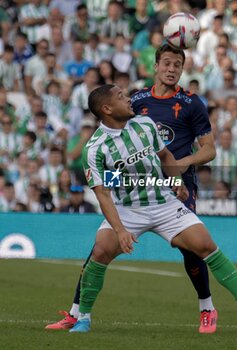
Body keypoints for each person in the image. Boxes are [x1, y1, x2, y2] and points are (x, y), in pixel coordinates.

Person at [67, 84, 237, 333]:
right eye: (121, 97)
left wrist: (176, 182)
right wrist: (120, 230)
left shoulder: (145, 124)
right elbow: (103, 193)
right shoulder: (95, 148)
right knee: (99, 252)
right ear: (107, 109)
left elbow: (165, 157)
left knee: (206, 245)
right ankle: (84, 318)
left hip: (163, 202)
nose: (129, 99)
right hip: (126, 209)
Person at [46, 44, 219, 334]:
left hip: (177, 184)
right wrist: (117, 181)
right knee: (99, 249)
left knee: (192, 249)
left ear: (182, 69)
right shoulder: (136, 100)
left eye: (177, 64)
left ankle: (206, 308)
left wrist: (178, 165)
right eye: (166, 63)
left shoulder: (192, 103)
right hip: (139, 183)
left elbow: (210, 150)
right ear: (155, 66)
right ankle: (76, 313)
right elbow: (114, 132)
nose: (171, 69)